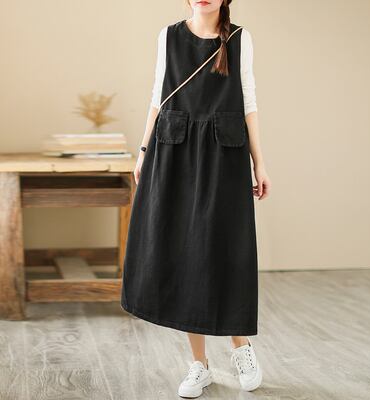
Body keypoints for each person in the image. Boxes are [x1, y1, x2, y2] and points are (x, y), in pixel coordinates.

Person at [121, 0, 271, 397]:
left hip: (224, 153)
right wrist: (143, 151)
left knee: (226, 249)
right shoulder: (168, 36)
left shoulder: (239, 38)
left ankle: (241, 347)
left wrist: (259, 163)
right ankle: (199, 365)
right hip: (175, 149)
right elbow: (159, 94)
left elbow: (249, 101)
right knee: (183, 252)